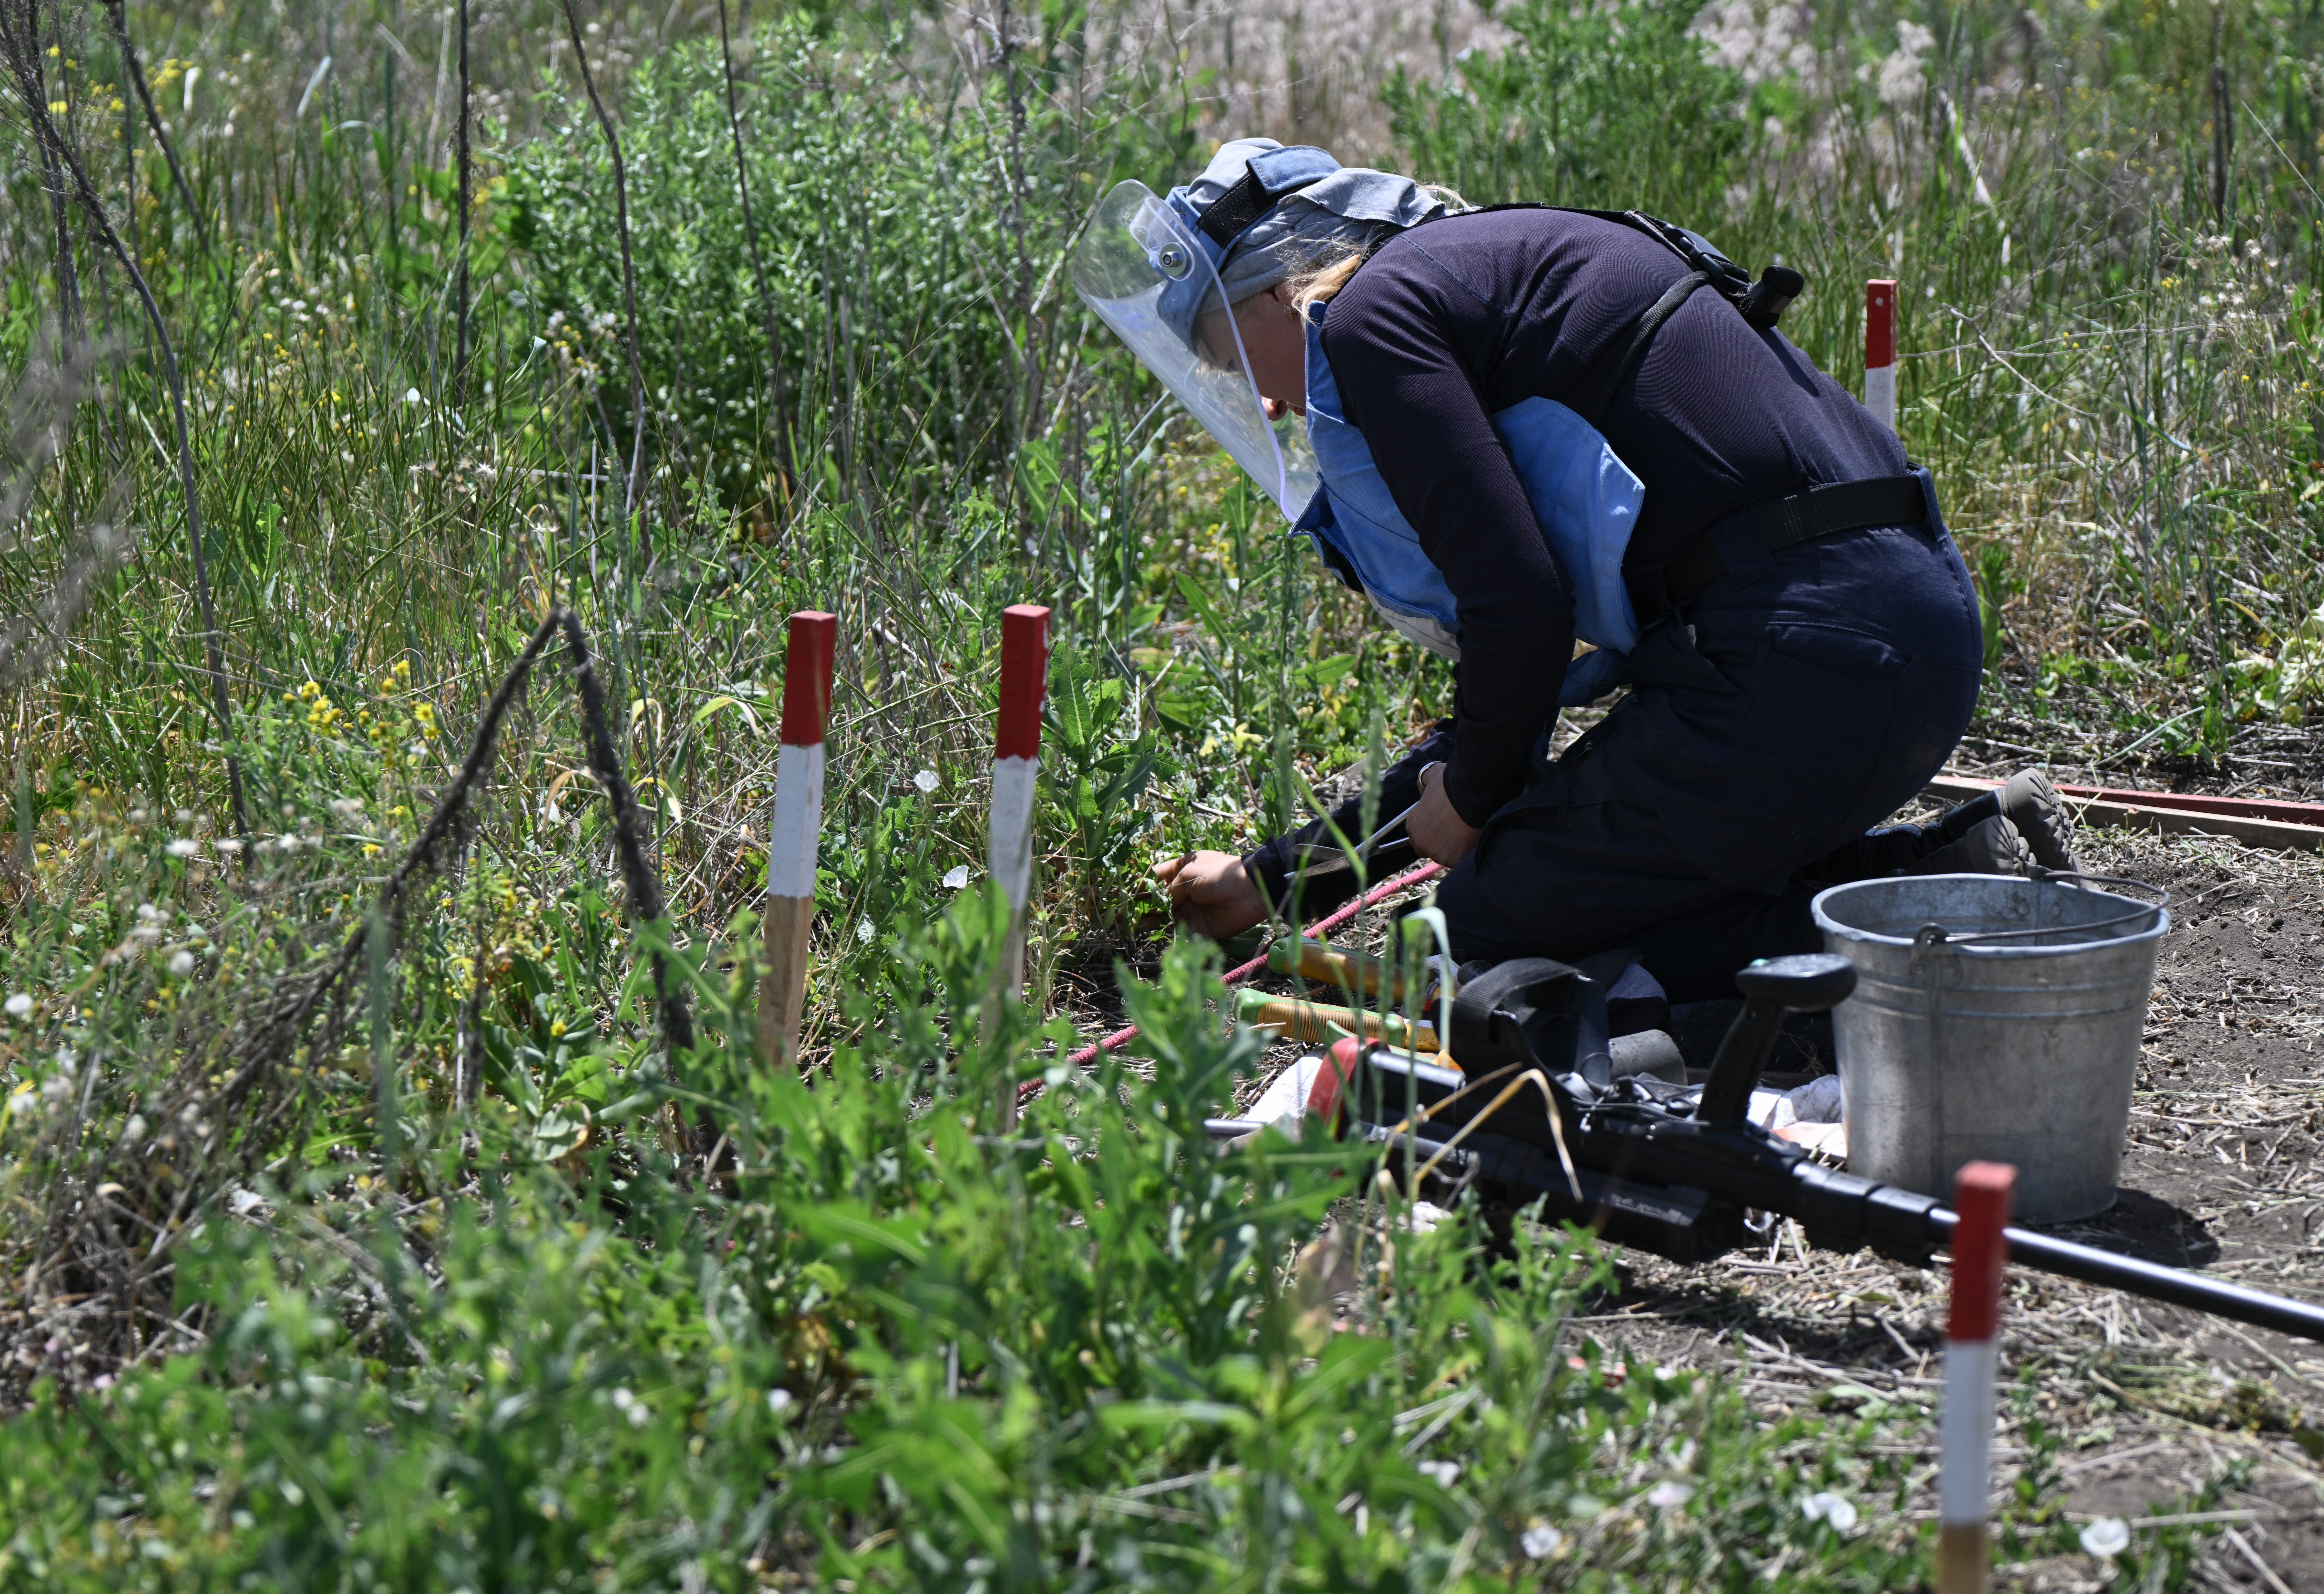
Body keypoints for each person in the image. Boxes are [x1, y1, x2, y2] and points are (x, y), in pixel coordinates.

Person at [1073, 138, 2074, 1002]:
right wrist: (1278, 879)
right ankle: (1938, 873)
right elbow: (1512, 679)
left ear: (1280, 290)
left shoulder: (1377, 320)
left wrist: (1466, 807)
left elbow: (1522, 615)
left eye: (1233, 362)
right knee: (1549, 860)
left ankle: (1956, 949)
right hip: (1909, 636)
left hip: (1807, 668)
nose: (1275, 410)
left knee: (1491, 917)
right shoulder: (1483, 273)